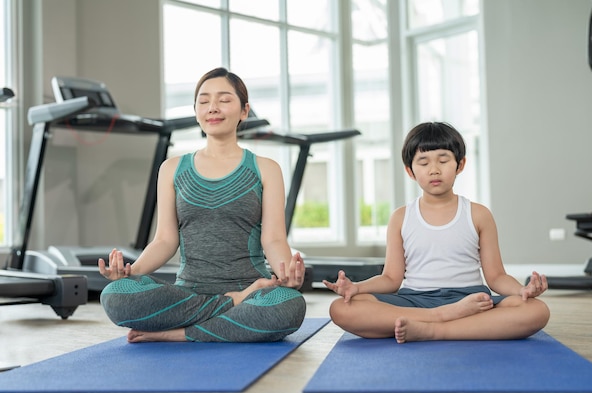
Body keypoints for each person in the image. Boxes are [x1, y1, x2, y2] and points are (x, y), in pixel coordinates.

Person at [98, 67, 306, 343]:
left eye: (224, 99)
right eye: (204, 101)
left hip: (253, 288)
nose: (213, 108)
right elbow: (164, 240)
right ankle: (229, 310)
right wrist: (130, 272)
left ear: (244, 111)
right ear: (196, 110)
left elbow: (274, 238)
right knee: (114, 296)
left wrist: (284, 273)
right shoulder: (171, 168)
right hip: (189, 293)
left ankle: (179, 334)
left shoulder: (265, 168)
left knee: (288, 306)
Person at [323, 121, 550, 343]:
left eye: (443, 160)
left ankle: (432, 331)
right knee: (342, 309)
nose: (434, 170)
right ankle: (439, 318)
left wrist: (523, 290)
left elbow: (496, 277)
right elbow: (391, 279)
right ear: (410, 171)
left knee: (536, 310)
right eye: (423, 162)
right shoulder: (400, 217)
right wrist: (357, 287)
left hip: (471, 300)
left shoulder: (479, 214)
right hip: (414, 301)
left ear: (460, 165)